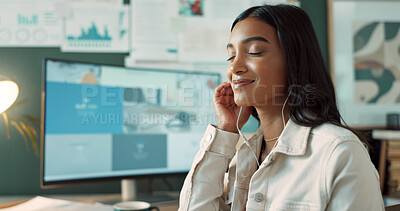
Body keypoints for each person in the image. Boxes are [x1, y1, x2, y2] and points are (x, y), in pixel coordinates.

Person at [178, 4, 384, 211]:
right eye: (231, 56)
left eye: (254, 52)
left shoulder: (339, 152)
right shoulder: (245, 158)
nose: (234, 67)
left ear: (294, 60)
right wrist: (225, 130)